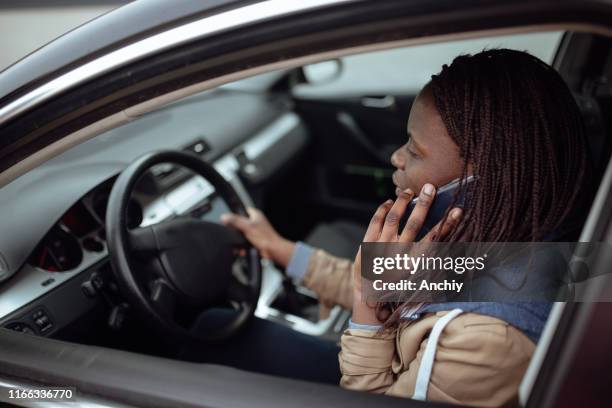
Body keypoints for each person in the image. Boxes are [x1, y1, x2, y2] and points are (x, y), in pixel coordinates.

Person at [219, 49, 591, 406]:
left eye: (415, 151)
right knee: (218, 327)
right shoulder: (501, 247)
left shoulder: (488, 340)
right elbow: (394, 285)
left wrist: (366, 323)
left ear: (480, 184)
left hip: (374, 379)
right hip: (389, 362)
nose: (396, 157)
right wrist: (283, 250)